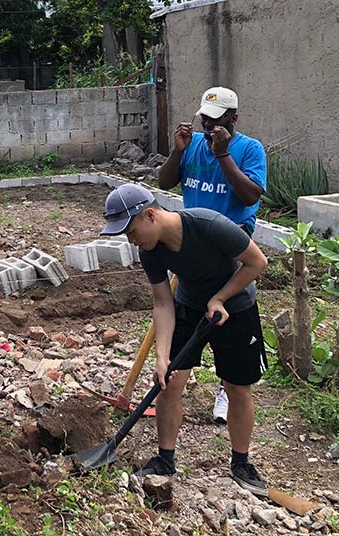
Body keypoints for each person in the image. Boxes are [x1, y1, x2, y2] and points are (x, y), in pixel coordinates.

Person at [101, 183, 269, 496]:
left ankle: (241, 462)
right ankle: (165, 459)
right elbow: (163, 303)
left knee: (236, 387)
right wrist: (162, 356)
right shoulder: (150, 251)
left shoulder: (208, 225)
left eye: (131, 231)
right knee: (170, 380)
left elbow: (257, 263)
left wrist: (220, 298)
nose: (131, 239)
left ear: (150, 215)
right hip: (190, 306)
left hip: (237, 306)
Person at [156, 86, 267, 424]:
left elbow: (250, 195)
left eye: (216, 120)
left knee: (228, 313)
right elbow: (164, 181)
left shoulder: (249, 149)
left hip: (233, 246)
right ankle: (178, 378)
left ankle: (227, 384)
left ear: (233, 118)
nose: (208, 125)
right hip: (192, 243)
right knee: (190, 311)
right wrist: (177, 152)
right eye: (205, 118)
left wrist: (223, 155)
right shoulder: (193, 148)